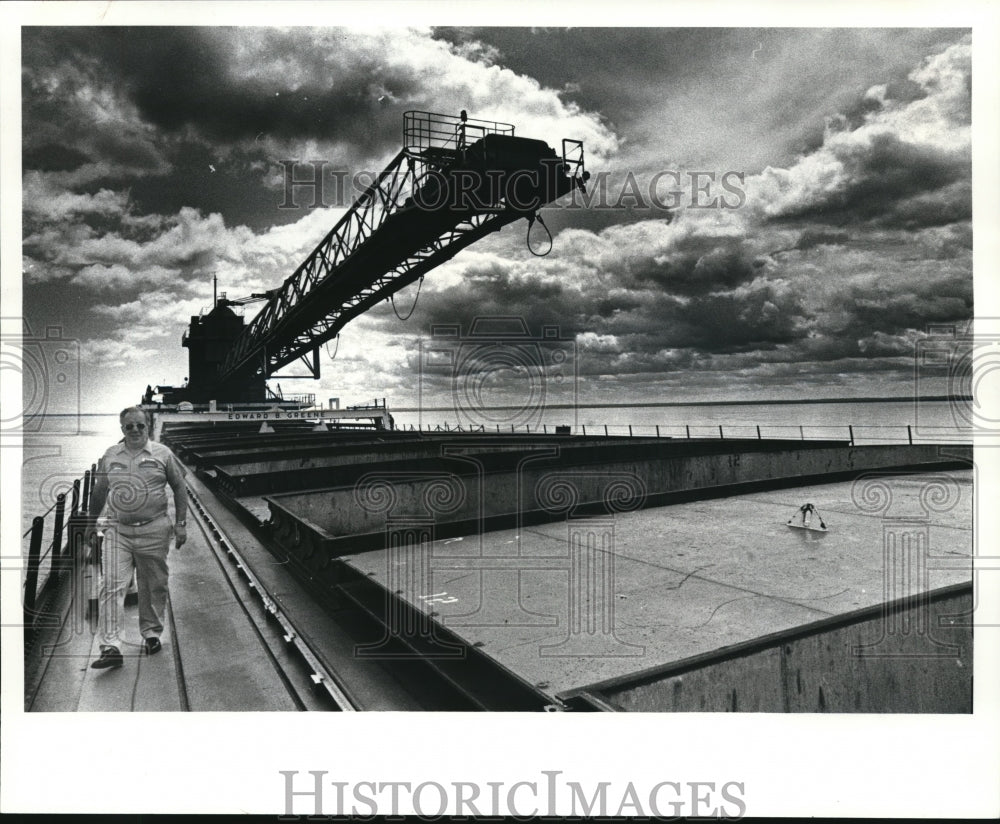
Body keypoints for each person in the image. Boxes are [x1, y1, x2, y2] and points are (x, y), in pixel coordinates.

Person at [86, 406, 188, 669]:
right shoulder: (110, 455)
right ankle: (110, 646)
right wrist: (89, 523)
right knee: (110, 585)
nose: (134, 430)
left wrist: (180, 524)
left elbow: (179, 487)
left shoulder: (163, 454)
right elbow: (98, 492)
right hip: (117, 530)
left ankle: (152, 634)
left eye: (139, 425)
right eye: (129, 426)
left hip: (154, 529)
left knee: (153, 585)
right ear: (122, 429)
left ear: (148, 426)